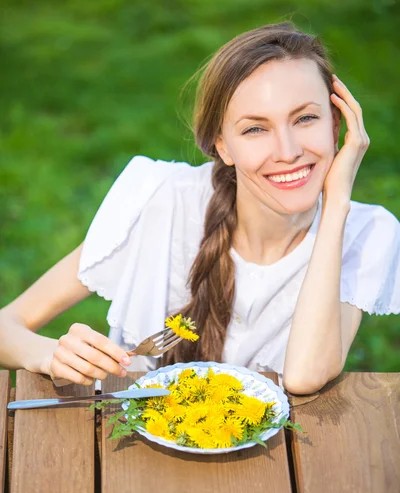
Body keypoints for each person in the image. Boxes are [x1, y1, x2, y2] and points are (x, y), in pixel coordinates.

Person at [0, 22, 399, 394]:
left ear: (337, 125)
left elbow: (304, 376)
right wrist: (48, 354)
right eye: (255, 129)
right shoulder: (162, 201)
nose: (289, 152)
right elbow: (6, 326)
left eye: (306, 118)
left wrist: (337, 204)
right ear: (221, 145)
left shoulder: (367, 234)